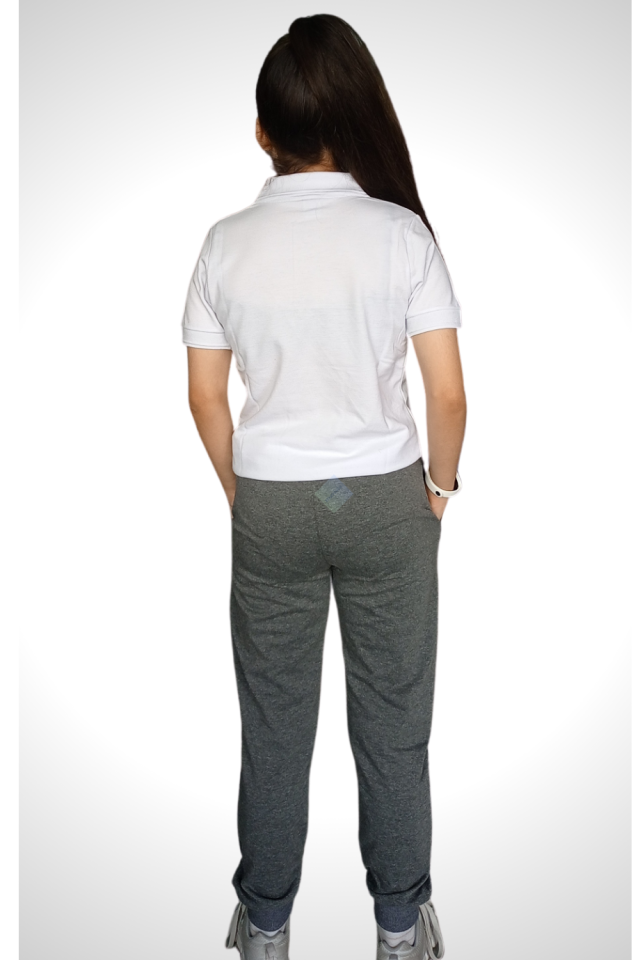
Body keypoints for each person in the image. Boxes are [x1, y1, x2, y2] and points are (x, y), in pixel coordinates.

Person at [181, 14, 466, 960]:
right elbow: (447, 393)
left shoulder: (224, 243)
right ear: (351, 118)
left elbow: (207, 397)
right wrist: (439, 490)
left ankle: (265, 927)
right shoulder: (402, 236)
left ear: (264, 132)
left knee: (273, 726)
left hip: (271, 505)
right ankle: (400, 929)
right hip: (384, 501)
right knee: (394, 724)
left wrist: (244, 490)